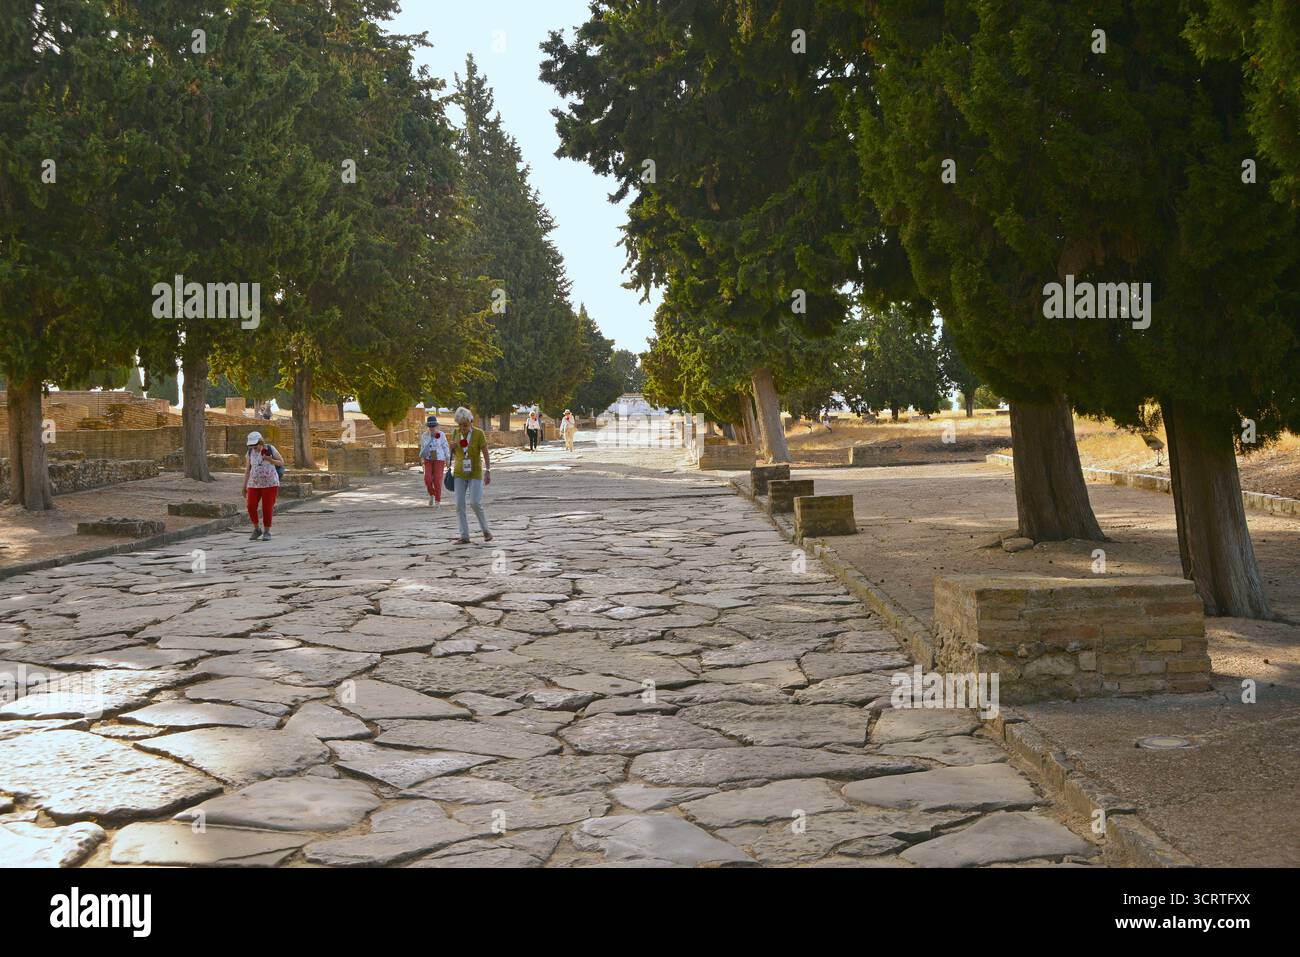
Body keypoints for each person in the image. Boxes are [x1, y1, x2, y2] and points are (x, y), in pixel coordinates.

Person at [449, 406, 492, 544]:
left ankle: (486, 530)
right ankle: (464, 536)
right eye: (460, 425)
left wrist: (488, 470)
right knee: (459, 504)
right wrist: (453, 448)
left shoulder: (479, 434)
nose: (462, 427)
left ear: (470, 422)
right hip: (460, 472)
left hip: (475, 472)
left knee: (475, 502)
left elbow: (485, 452)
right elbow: (456, 455)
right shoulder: (455, 433)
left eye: (465, 425)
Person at [242, 431, 284, 541]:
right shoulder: (250, 452)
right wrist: (244, 486)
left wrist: (271, 460)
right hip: (254, 483)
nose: (254, 447)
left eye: (255, 445)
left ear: (261, 442)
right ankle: (257, 529)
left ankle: (267, 531)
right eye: (251, 446)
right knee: (250, 506)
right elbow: (247, 470)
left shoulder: (270, 448)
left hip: (270, 484)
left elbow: (281, 462)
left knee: (267, 508)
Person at [419, 415, 450, 506]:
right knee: (427, 479)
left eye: (433, 426)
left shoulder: (441, 435)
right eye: (430, 426)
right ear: (428, 426)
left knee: (437, 480)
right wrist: (421, 459)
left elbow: (445, 447)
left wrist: (448, 458)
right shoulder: (424, 435)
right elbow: (422, 448)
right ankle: (431, 494)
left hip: (439, 459)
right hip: (428, 459)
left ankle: (437, 500)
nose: (432, 428)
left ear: (436, 425)